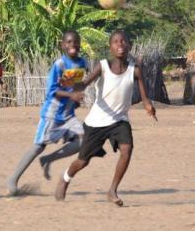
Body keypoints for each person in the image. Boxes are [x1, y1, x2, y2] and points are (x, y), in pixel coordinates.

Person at [55, 30, 157, 206]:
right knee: (82, 161)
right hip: (97, 121)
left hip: (120, 120)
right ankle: (65, 178)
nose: (120, 45)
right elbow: (85, 83)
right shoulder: (102, 66)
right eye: (116, 42)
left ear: (129, 46)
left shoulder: (135, 70)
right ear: (110, 47)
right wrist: (71, 85)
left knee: (127, 149)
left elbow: (144, 94)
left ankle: (112, 190)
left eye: (124, 41)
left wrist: (148, 105)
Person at [7, 31, 88, 196]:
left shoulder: (82, 63)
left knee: (83, 141)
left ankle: (49, 159)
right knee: (38, 146)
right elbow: (52, 90)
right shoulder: (59, 65)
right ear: (63, 45)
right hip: (52, 113)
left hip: (68, 115)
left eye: (76, 42)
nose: (73, 45)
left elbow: (77, 85)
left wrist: (77, 98)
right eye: (69, 42)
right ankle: (13, 180)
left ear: (80, 44)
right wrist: (71, 95)